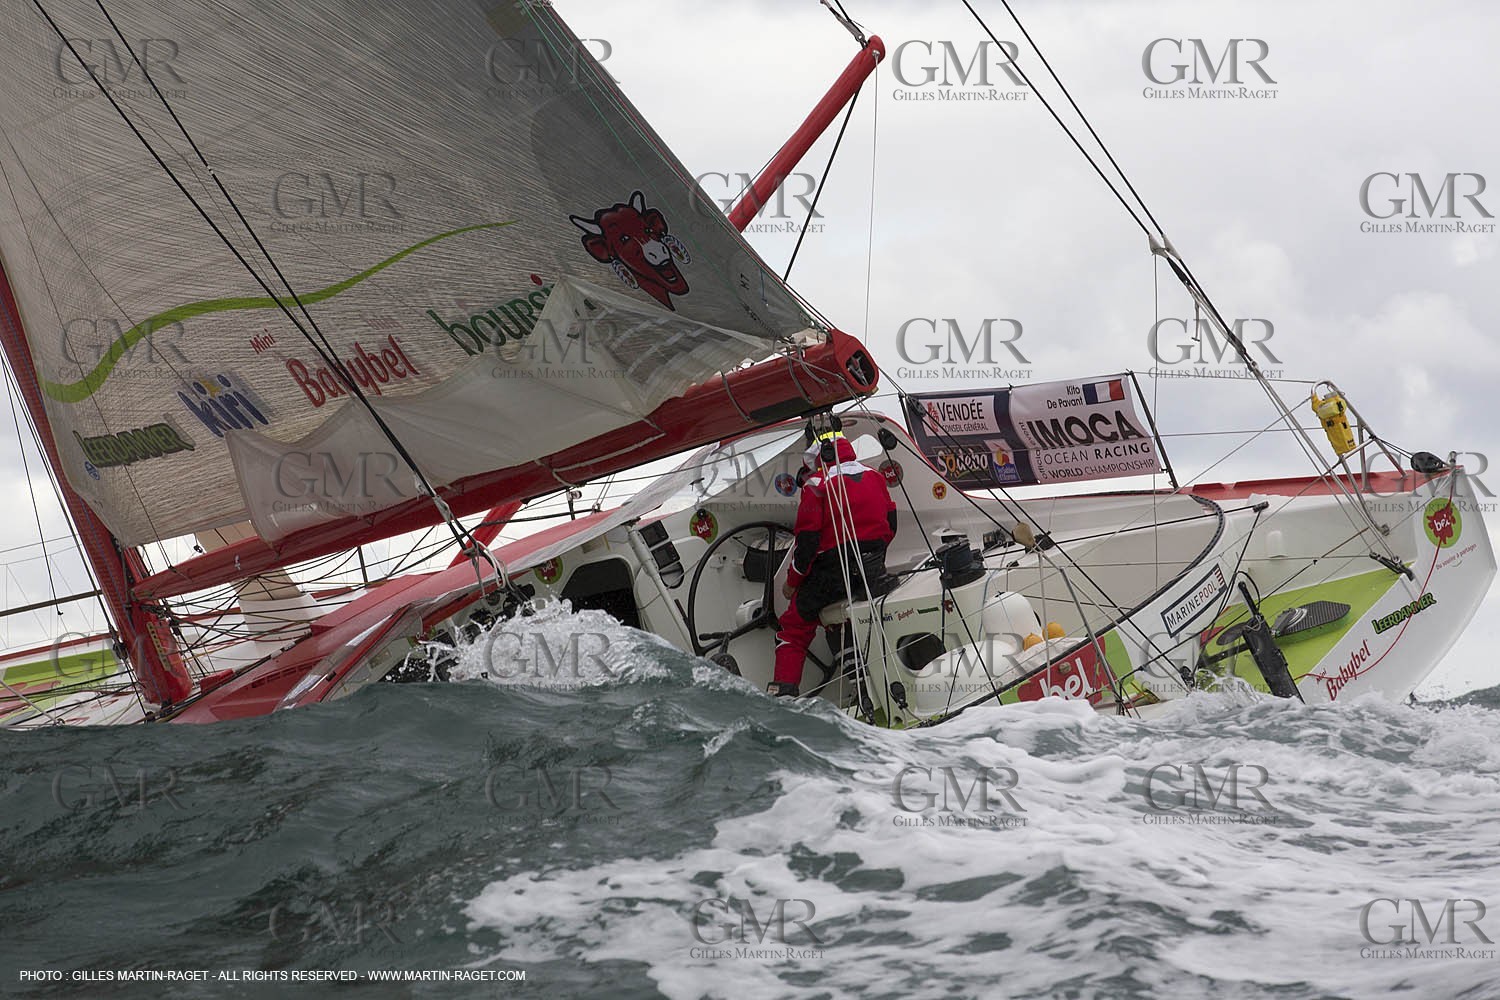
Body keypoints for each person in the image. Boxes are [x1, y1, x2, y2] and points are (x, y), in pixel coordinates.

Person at [769, 423, 897, 697]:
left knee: (793, 627)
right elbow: (891, 525)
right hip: (871, 569)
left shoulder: (816, 485)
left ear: (815, 457)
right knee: (842, 614)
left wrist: (792, 583)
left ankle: (782, 697)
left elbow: (807, 545)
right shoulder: (874, 476)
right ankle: (867, 686)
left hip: (832, 575)